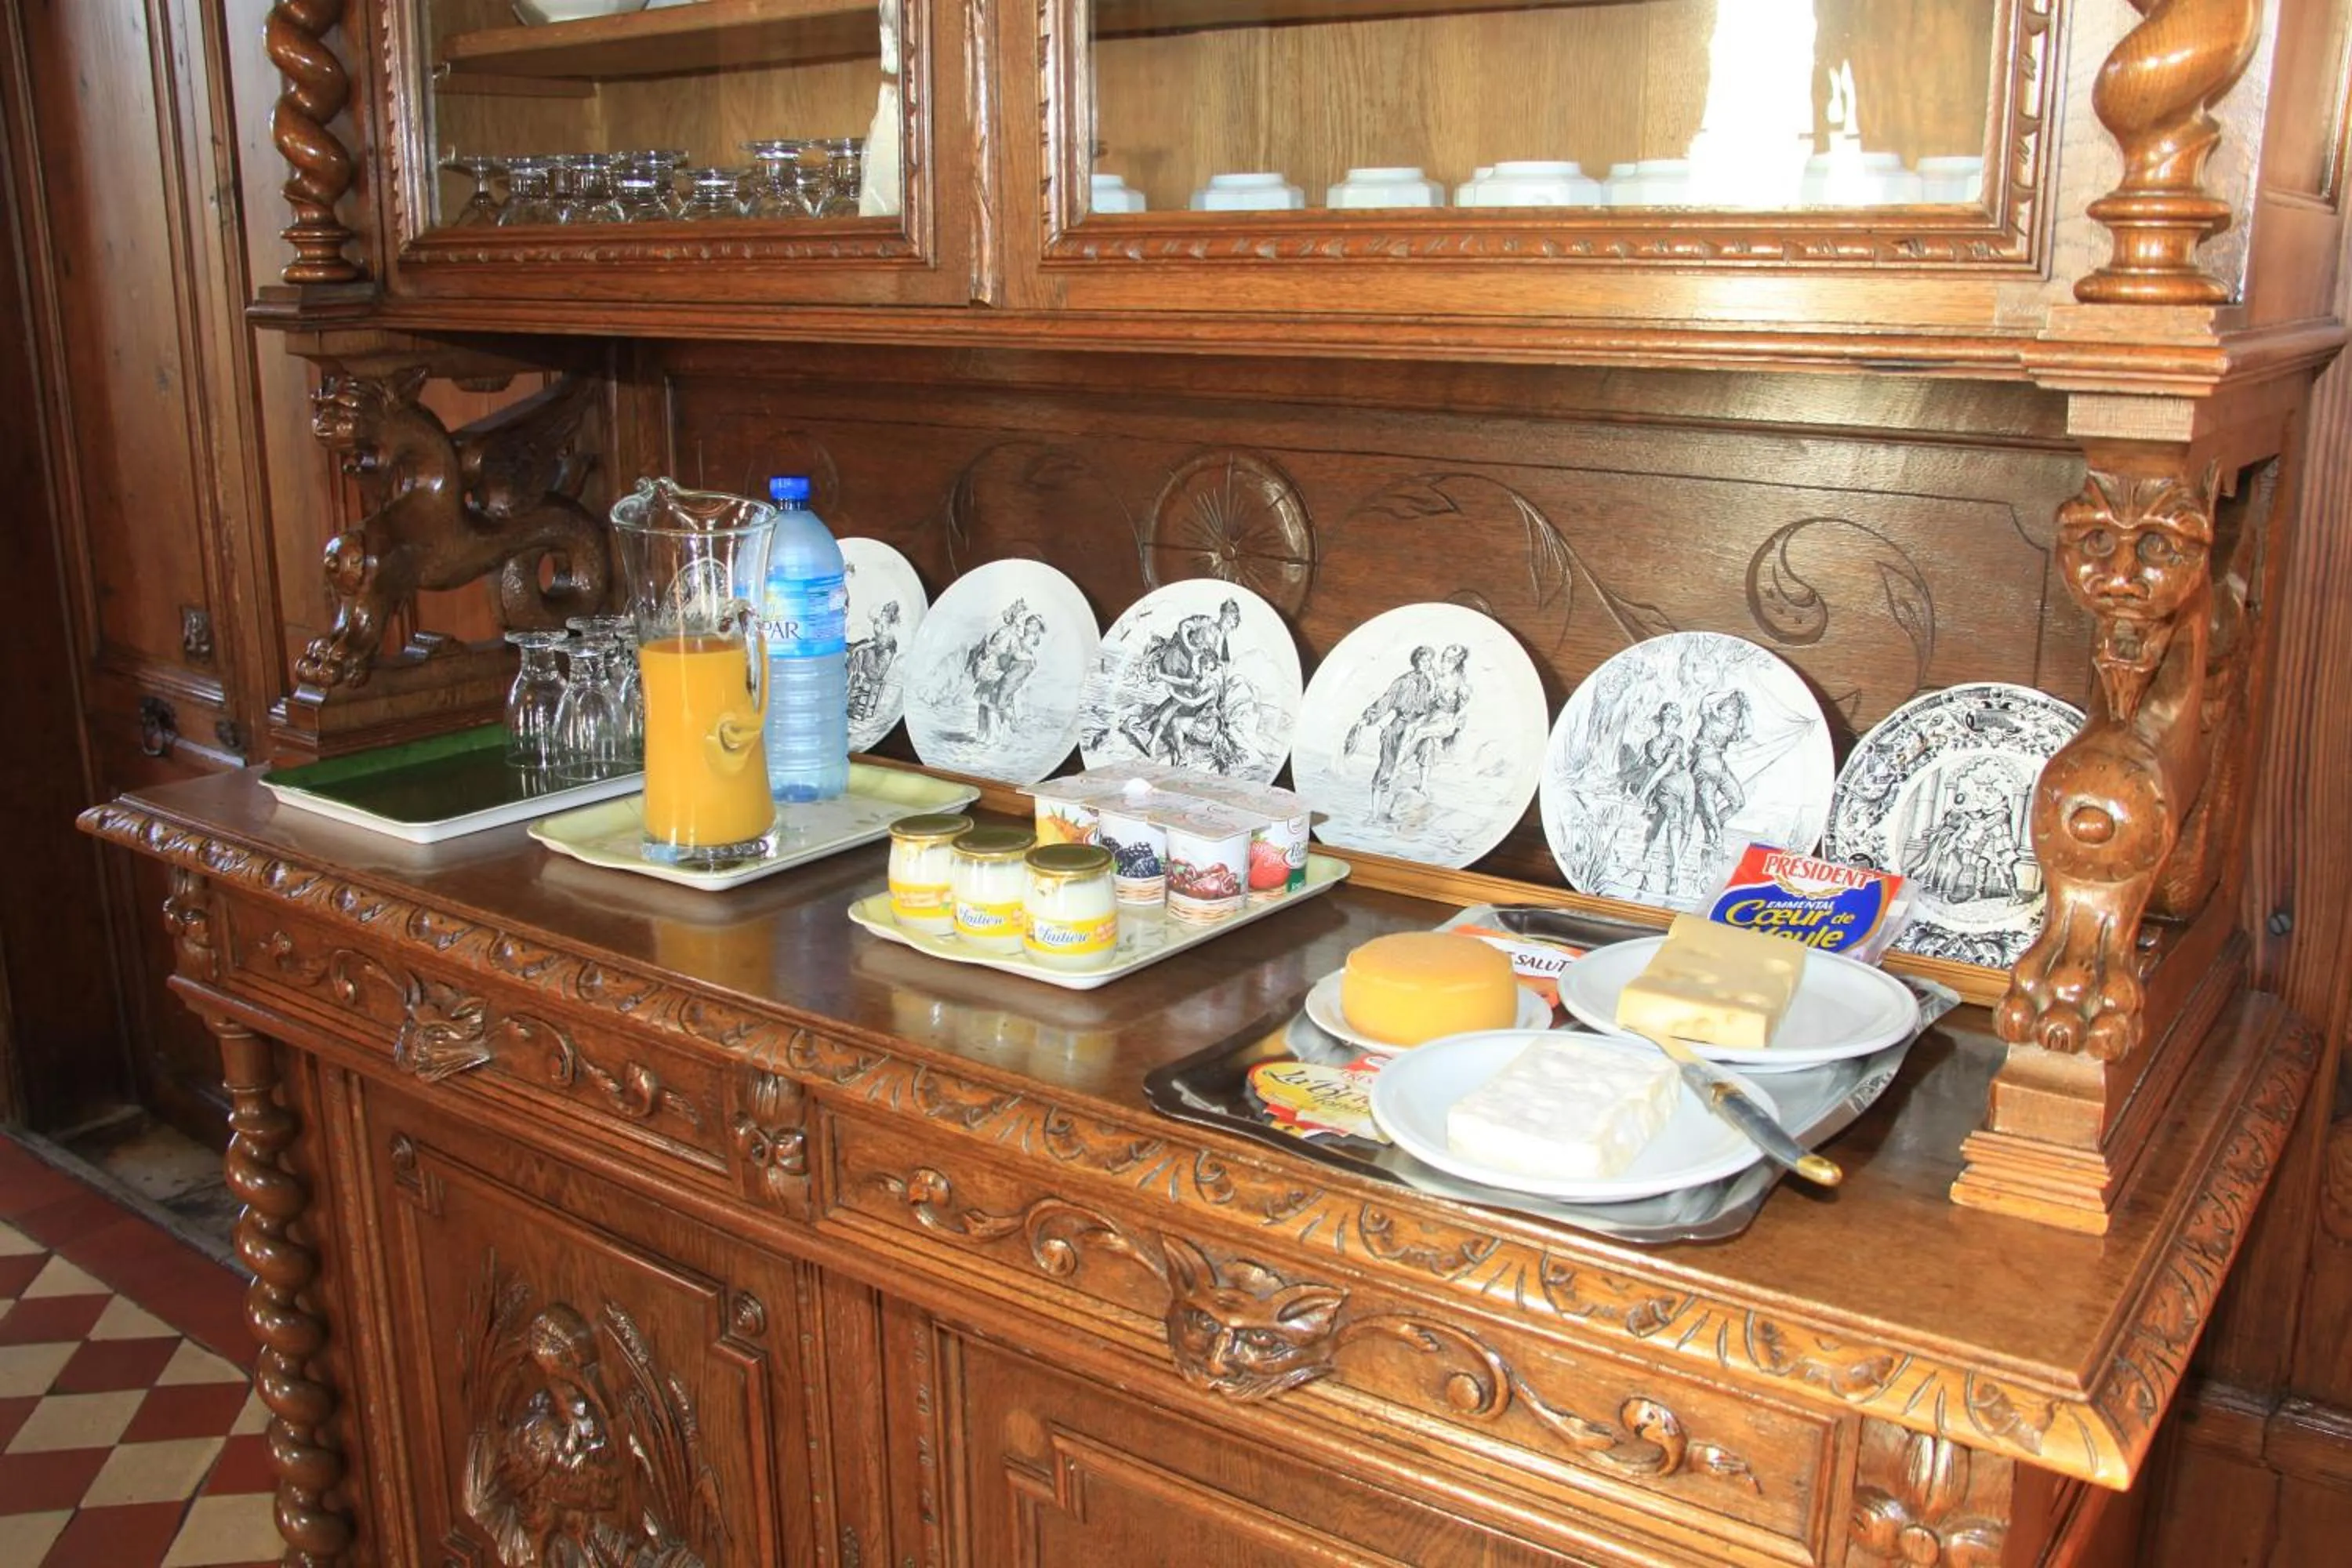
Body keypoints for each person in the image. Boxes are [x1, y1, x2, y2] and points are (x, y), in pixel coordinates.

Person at [1345, 646, 1437, 820]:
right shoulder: (1402, 682)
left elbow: (1430, 707)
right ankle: (1374, 813)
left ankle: (1423, 787)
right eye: (1424, 660)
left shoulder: (1428, 682)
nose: (1428, 664)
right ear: (1416, 661)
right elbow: (1385, 702)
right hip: (1398, 729)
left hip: (1418, 727)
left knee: (1428, 745)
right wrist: (1367, 719)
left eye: (1429, 660)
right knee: (1386, 769)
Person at [845, 599, 902, 727]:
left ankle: (853, 679)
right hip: (875, 664)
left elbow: (874, 644)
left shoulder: (888, 635)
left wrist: (857, 648)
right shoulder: (883, 628)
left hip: (876, 671)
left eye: (885, 611)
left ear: (889, 615)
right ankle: (852, 678)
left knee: (862, 650)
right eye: (884, 610)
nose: (883, 612)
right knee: (864, 646)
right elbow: (874, 640)